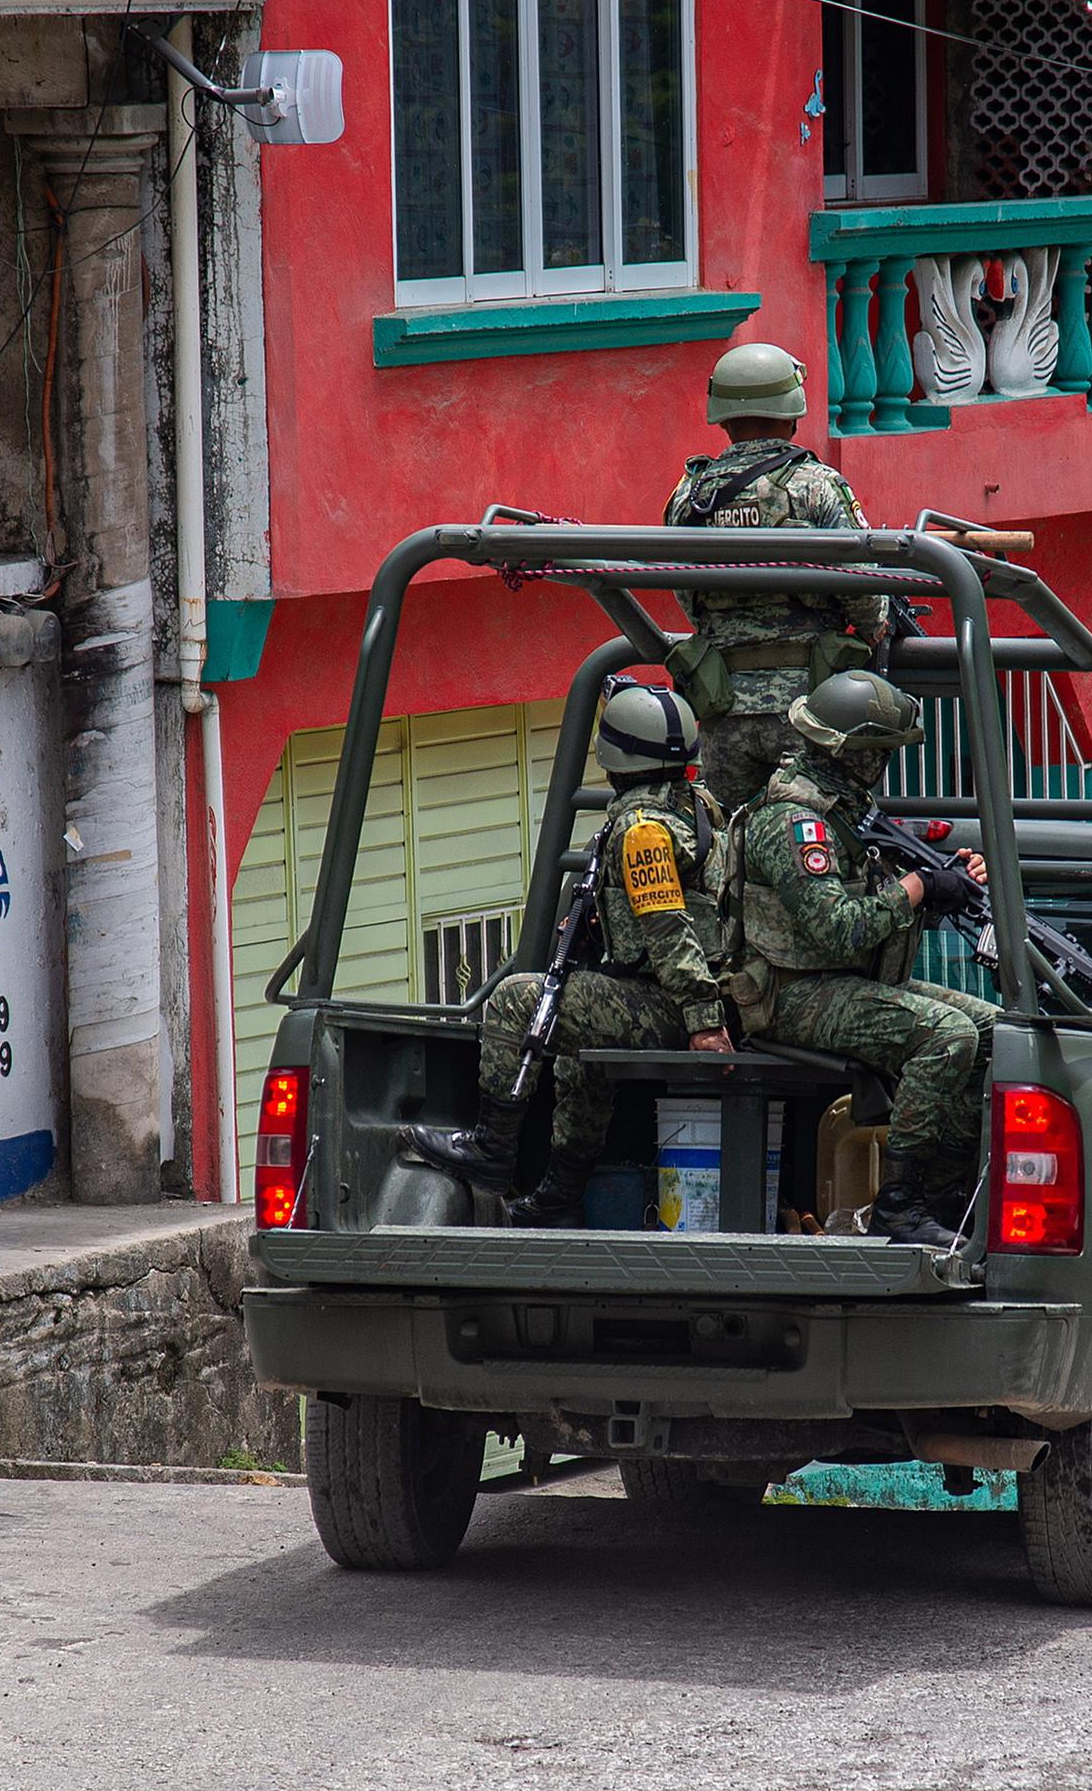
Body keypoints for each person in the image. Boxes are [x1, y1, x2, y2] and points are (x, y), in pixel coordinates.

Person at [406, 683, 731, 1226]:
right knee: (578, 1047)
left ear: (613, 756)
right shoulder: (696, 807)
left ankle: (492, 1148)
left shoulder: (641, 829)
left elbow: (669, 929)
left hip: (673, 1006)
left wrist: (704, 1022)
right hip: (677, 996)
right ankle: (561, 1194)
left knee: (515, 999)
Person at [715, 670, 995, 1249]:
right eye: (881, 753)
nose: (884, 765)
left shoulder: (845, 806)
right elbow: (839, 928)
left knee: (990, 1030)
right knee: (948, 1037)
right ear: (858, 754)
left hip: (839, 983)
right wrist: (919, 887)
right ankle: (899, 1207)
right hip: (789, 995)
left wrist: (945, 880)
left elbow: (875, 898)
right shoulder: (794, 821)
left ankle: (941, 1195)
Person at [661, 342, 896, 807]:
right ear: (793, 413)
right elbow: (865, 591)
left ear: (723, 418)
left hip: (722, 703)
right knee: (819, 833)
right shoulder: (818, 485)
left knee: (734, 840)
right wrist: (874, 629)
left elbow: (686, 593)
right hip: (811, 706)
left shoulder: (691, 495)